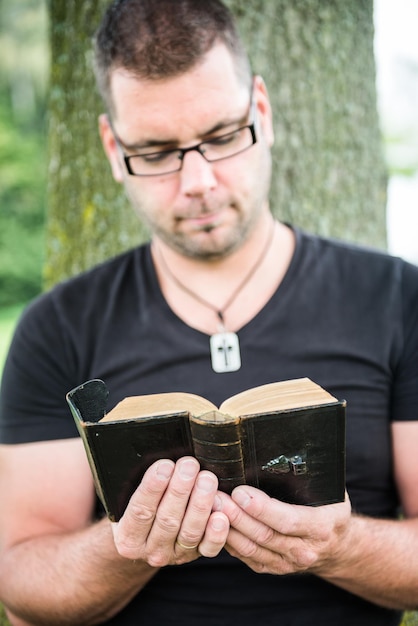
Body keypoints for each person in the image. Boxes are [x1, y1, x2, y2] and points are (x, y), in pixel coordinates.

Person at [0, 0, 417, 624]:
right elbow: (21, 578)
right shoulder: (57, 327)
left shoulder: (397, 299)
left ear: (263, 112)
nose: (197, 181)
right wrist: (129, 545)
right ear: (114, 149)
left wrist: (341, 546)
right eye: (157, 151)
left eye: (222, 137)